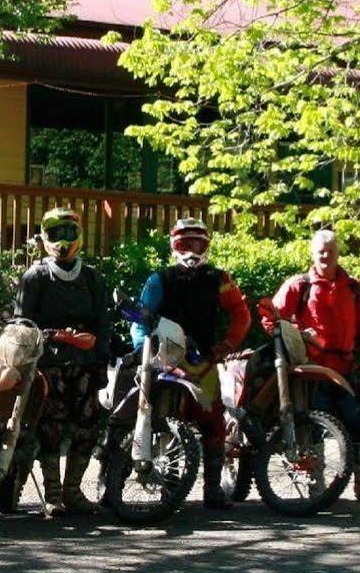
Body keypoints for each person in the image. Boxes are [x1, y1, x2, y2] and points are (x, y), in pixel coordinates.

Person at [266, 230, 360, 502]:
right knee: (312, 427)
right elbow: (271, 317)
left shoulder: (356, 290)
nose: (325, 255)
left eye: (330, 250)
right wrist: (293, 336)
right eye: (321, 251)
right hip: (309, 371)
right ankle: (316, 485)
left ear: (338, 253)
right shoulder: (298, 286)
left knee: (359, 422)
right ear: (312, 253)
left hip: (344, 371)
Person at [133, 217, 249, 509]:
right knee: (150, 416)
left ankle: (212, 489)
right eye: (185, 243)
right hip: (165, 359)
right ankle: (153, 483)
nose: (191, 250)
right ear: (174, 246)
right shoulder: (159, 279)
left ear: (207, 246)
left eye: (198, 243)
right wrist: (141, 349)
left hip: (203, 362)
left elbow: (241, 313)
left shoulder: (220, 279)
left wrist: (228, 344)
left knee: (213, 421)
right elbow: (140, 318)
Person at [15, 208, 110, 516]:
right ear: (45, 238)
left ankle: (73, 491)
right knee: (50, 428)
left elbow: (102, 323)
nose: (63, 241)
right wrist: (52, 336)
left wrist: (100, 361)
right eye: (56, 234)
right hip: (48, 365)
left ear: (79, 237)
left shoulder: (93, 278)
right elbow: (22, 323)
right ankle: (53, 494)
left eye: (69, 234)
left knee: (87, 427)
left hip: (85, 365)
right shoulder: (35, 277)